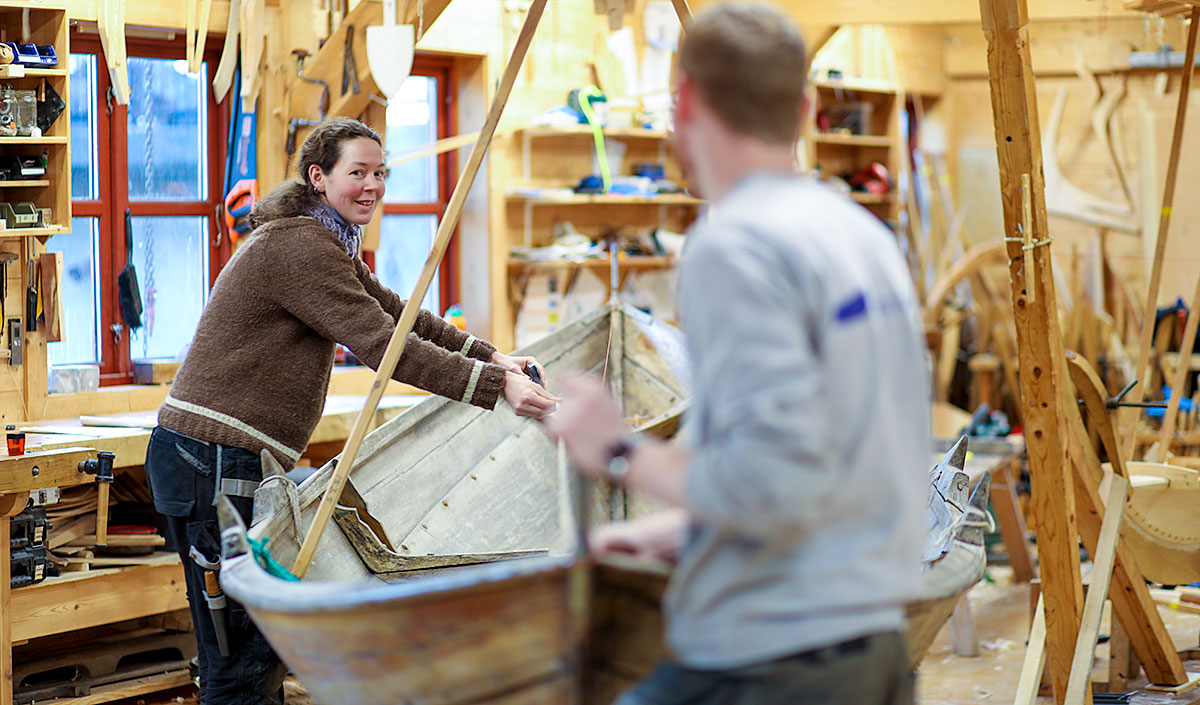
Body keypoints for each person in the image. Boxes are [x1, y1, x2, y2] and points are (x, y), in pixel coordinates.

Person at [547, 5, 930, 704]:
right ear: (807, 107)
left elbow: (771, 482)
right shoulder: (865, 238)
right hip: (874, 645)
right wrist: (683, 530)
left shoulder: (736, 242)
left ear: (684, 104)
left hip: (768, 656)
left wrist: (618, 451)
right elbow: (829, 458)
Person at [145, 117, 559, 705]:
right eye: (357, 173)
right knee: (239, 654)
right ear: (319, 177)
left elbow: (401, 313)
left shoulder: (324, 239)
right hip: (210, 460)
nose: (373, 185)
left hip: (222, 458)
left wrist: (492, 356)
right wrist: (497, 387)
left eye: (380, 172)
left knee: (258, 644)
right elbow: (384, 346)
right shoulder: (301, 247)